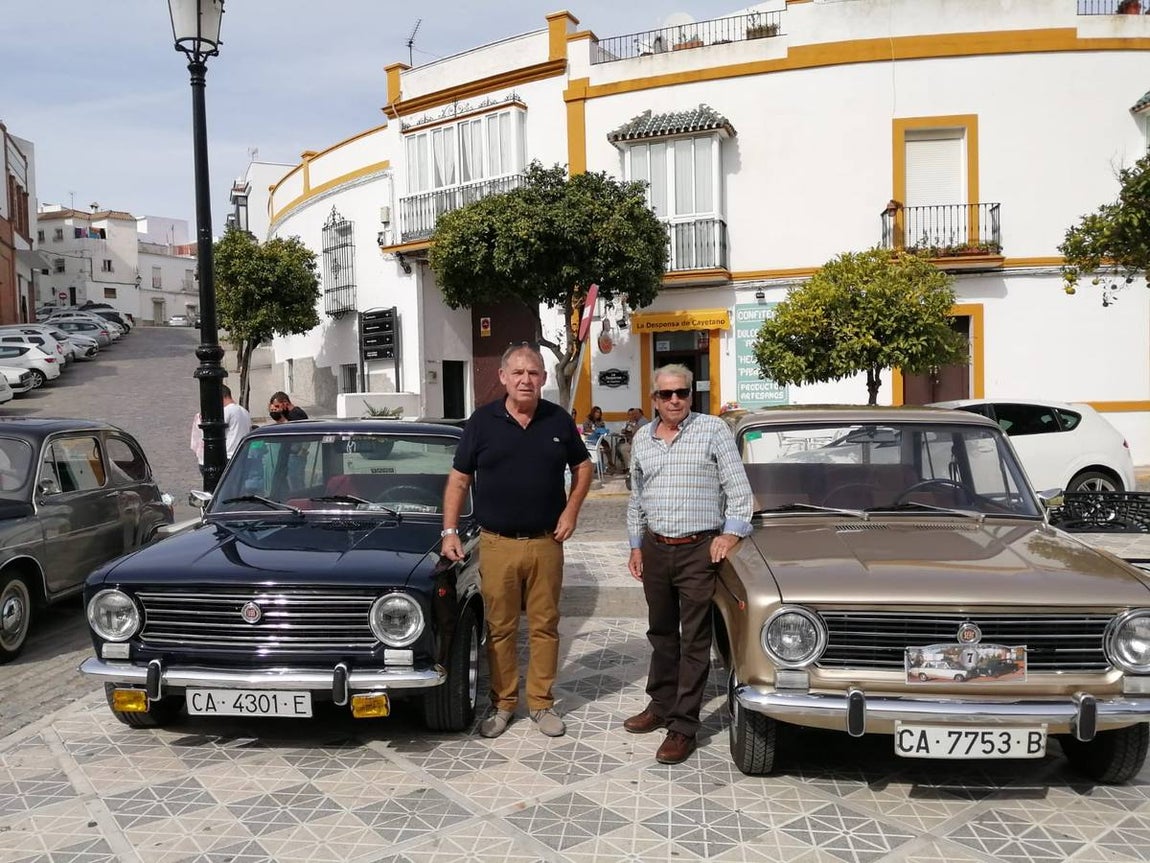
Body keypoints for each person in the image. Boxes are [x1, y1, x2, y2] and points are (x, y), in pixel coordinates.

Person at [441, 343, 593, 739]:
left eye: (533, 373)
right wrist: (449, 530)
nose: (526, 380)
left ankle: (541, 703)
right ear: (503, 377)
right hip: (497, 544)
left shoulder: (558, 420)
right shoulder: (481, 422)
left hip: (546, 543)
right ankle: (504, 704)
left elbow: (583, 466)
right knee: (500, 627)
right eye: (519, 373)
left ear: (542, 378)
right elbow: (459, 479)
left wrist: (571, 512)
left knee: (545, 626)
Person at [623, 364, 753, 764]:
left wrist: (729, 535)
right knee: (661, 633)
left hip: (699, 549)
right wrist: (636, 546)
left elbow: (740, 492)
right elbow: (637, 497)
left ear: (691, 395)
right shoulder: (643, 438)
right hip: (656, 548)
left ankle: (683, 726)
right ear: (654, 399)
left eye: (681, 392)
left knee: (695, 638)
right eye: (666, 394)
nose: (674, 400)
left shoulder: (713, 430)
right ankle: (661, 704)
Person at [581, 405, 616, 472]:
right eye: (596, 412)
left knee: (607, 446)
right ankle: (597, 466)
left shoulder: (600, 421)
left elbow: (603, 429)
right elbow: (586, 429)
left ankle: (610, 462)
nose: (598, 414)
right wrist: (595, 430)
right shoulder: (588, 420)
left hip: (599, 438)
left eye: (599, 412)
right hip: (590, 439)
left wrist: (599, 431)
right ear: (593, 412)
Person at [222, 384, 252, 460]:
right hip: (243, 454)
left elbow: (217, 432)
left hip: (229, 455)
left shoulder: (226, 411)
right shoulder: (245, 411)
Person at [615, 407, 649, 471]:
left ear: (640, 414)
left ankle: (630, 467)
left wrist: (632, 428)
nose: (633, 416)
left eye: (635, 414)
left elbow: (638, 433)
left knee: (623, 448)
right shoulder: (637, 421)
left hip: (642, 444)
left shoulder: (642, 421)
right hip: (634, 442)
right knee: (620, 447)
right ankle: (629, 466)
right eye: (632, 414)